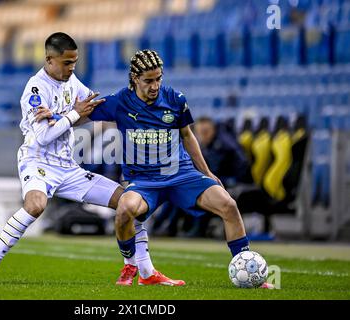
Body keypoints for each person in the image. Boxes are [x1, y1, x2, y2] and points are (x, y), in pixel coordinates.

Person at [87, 50, 274, 289]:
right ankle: (130, 264)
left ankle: (249, 271)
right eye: (148, 80)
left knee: (229, 205)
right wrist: (57, 115)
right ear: (135, 78)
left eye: (158, 79)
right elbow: (85, 113)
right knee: (124, 210)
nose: (155, 86)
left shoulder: (175, 98)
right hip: (144, 181)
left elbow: (187, 135)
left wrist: (206, 172)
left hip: (181, 174)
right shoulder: (119, 101)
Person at [0, 32, 127, 284]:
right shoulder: (35, 90)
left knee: (128, 202)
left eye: (74, 63)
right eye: (66, 63)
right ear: (49, 60)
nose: (71, 68)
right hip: (37, 160)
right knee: (35, 205)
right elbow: (44, 136)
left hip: (67, 166)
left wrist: (128, 106)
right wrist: (73, 115)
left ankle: (139, 269)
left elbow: (91, 108)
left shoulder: (72, 81)